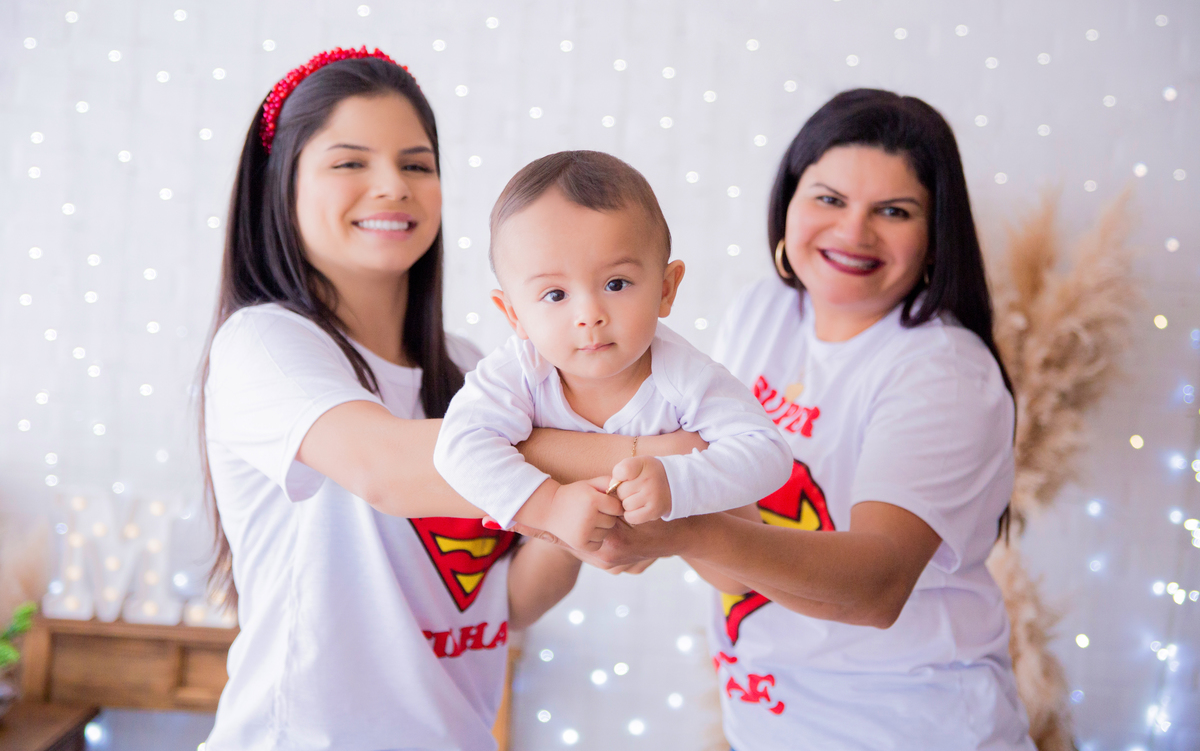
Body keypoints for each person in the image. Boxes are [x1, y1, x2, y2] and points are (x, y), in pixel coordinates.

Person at [198, 48, 700, 751]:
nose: (392, 187)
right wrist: (646, 453)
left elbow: (511, 602)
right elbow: (385, 468)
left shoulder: (478, 369)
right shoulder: (265, 345)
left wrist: (597, 504)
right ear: (280, 187)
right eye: (350, 163)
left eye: (416, 164)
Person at [568, 89, 1036, 749]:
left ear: (935, 238)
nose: (853, 232)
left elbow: (876, 587)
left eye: (894, 211)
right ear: (788, 202)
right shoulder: (762, 313)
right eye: (828, 198)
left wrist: (681, 527)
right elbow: (724, 530)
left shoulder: (943, 371)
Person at [433, 151, 793, 546]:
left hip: (682, 535)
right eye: (555, 294)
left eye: (616, 284)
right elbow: (458, 446)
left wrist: (676, 482)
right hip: (562, 534)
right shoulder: (519, 369)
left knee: (734, 570)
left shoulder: (685, 375)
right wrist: (550, 507)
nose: (589, 315)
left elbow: (769, 454)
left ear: (665, 289)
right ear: (513, 314)